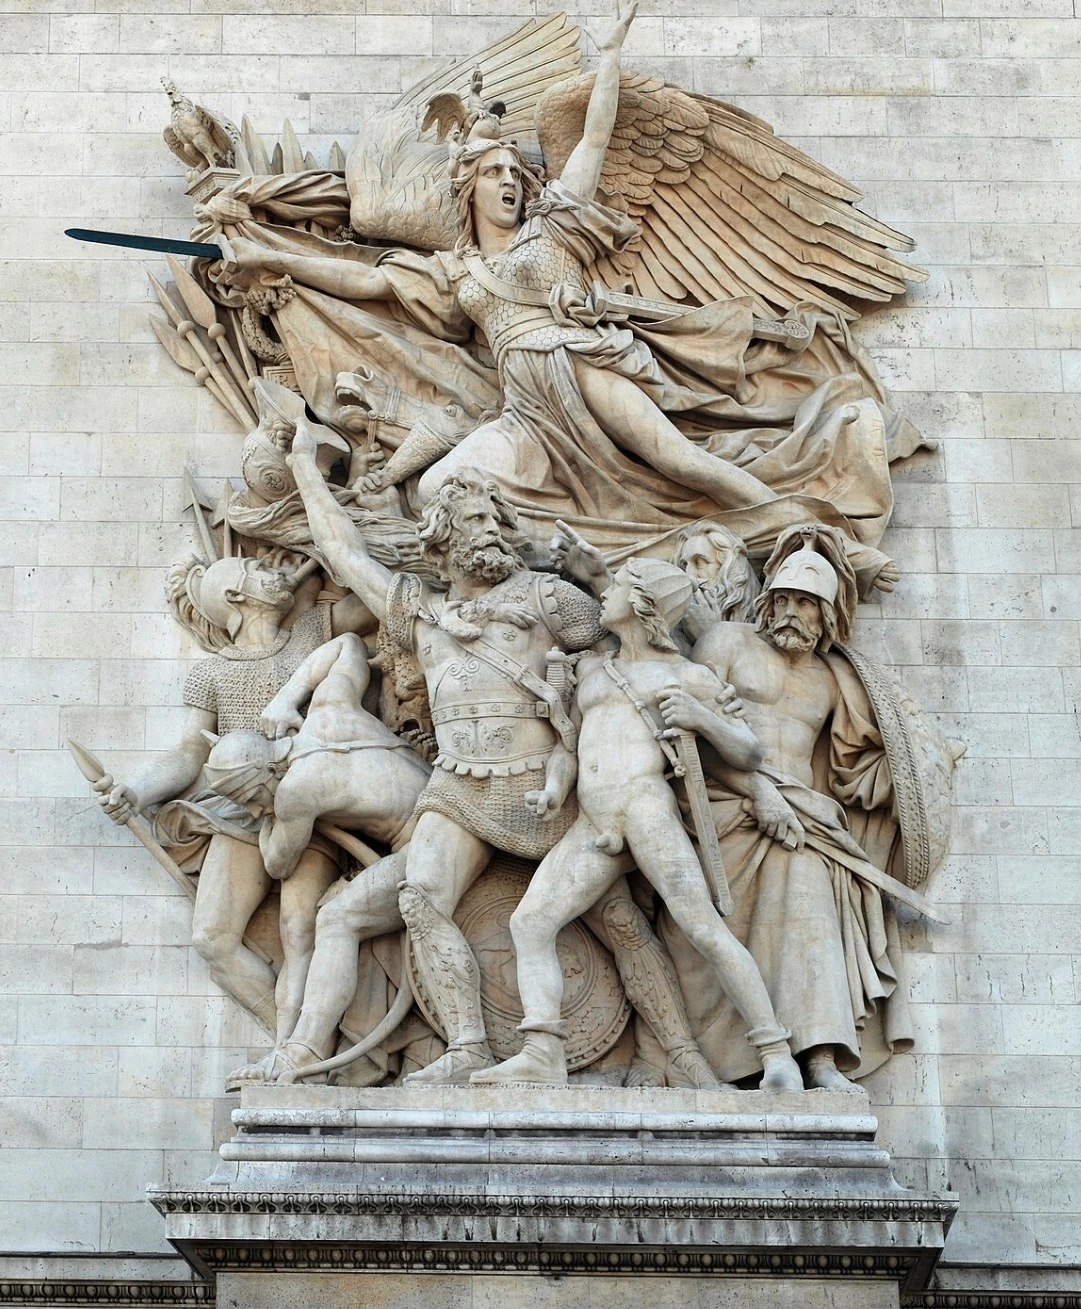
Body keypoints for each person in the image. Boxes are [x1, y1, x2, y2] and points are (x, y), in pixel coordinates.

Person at [217, 2, 901, 592]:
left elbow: (595, 138)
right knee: (434, 488)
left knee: (679, 460)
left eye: (516, 173)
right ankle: (551, 580)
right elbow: (366, 280)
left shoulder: (554, 226)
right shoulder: (457, 270)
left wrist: (609, 60)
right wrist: (268, 257)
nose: (509, 182)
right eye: (494, 173)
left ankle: (824, 543)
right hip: (523, 409)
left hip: (579, 366)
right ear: (468, 188)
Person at [280, 423, 722, 1087]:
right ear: (441, 538)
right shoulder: (419, 613)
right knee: (420, 897)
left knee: (619, 920)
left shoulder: (547, 597)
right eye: (472, 519)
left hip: (549, 789)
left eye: (493, 518)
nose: (488, 529)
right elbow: (343, 551)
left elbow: (637, 645)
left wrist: (699, 701)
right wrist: (302, 464)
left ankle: (684, 1055)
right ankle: (465, 1046)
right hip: (458, 790)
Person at [474, 558, 803, 1091]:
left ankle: (775, 1052)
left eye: (620, 585)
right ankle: (543, 1052)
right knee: (530, 923)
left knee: (703, 928)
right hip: (594, 821)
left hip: (645, 808)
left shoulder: (687, 676)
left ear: (644, 603)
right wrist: (554, 790)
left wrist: (702, 717)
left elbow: (748, 751)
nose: (606, 593)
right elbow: (568, 749)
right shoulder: (592, 671)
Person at [681, 529, 925, 1089]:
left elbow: (854, 766)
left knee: (811, 903)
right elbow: (687, 734)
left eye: (807, 604)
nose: (791, 613)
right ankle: (737, 1058)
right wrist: (756, 791)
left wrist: (915, 768)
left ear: (828, 615)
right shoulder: (726, 643)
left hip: (803, 822)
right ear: (767, 602)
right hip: (725, 807)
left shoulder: (834, 679)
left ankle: (819, 1058)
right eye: (784, 600)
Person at [95, 553, 371, 1044]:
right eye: (259, 571)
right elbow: (190, 753)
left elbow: (373, 601)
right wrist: (137, 792)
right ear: (237, 597)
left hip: (308, 799)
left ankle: (307, 1049)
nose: (275, 572)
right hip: (240, 810)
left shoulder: (311, 631)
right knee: (212, 939)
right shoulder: (211, 674)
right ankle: (290, 1042)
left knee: (300, 929)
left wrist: (333, 549)